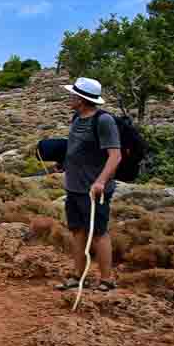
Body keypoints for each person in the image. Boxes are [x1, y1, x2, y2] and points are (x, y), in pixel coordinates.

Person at [54, 77, 122, 293]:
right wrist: (64, 163)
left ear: (81, 99)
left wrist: (100, 181)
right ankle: (76, 276)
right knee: (77, 231)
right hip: (73, 187)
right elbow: (76, 148)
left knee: (99, 233)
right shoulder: (77, 117)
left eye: (73, 94)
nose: (69, 98)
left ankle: (107, 280)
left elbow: (115, 155)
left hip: (94, 190)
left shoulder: (104, 121)